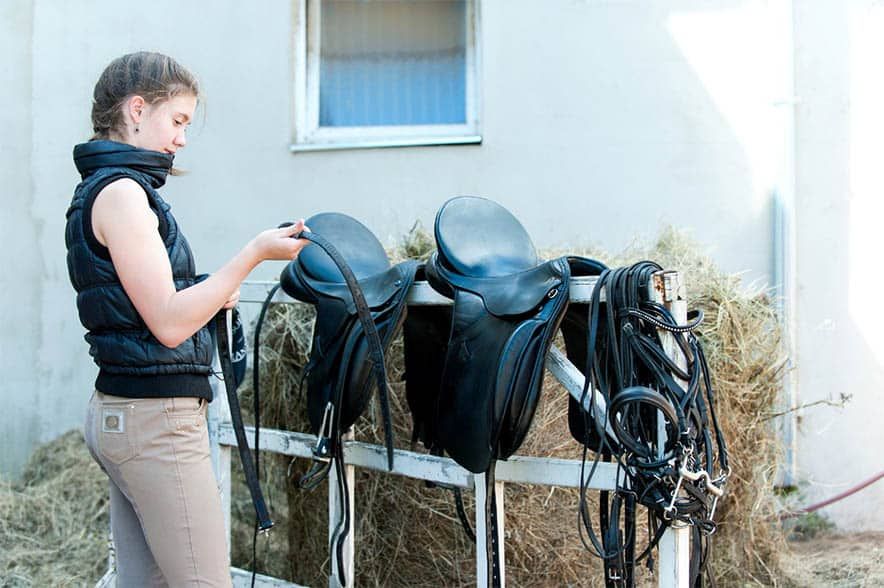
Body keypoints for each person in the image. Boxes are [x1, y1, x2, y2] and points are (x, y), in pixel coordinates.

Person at [65, 51, 307, 587]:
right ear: (135, 110)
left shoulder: (107, 191)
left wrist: (207, 292)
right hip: (156, 423)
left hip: (126, 412)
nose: (181, 138)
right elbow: (169, 324)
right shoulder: (124, 195)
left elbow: (146, 302)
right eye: (177, 121)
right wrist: (253, 254)